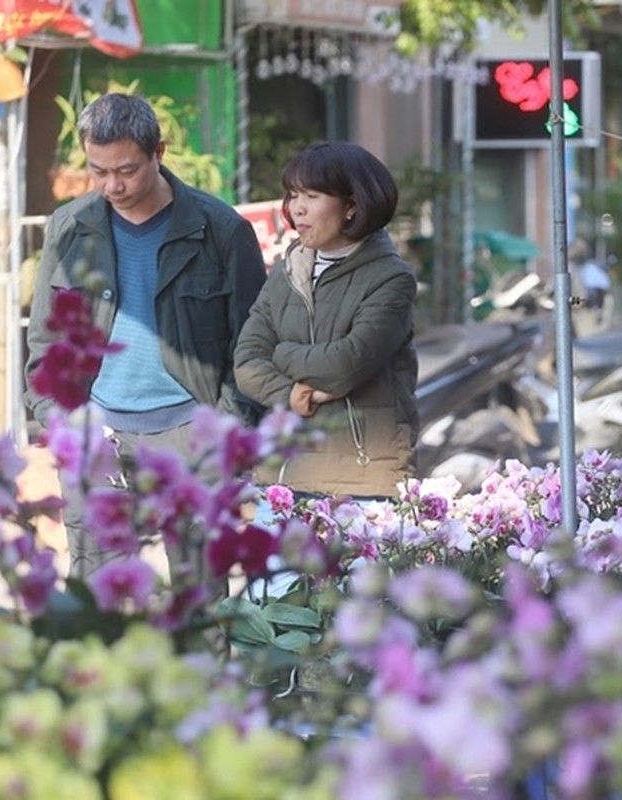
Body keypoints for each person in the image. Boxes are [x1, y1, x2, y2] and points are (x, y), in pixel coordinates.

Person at [24, 92, 267, 580]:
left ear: (159, 152)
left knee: (200, 600)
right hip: (98, 435)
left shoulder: (221, 231)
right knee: (99, 594)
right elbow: (44, 344)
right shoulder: (69, 228)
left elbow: (253, 348)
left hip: (190, 436)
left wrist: (224, 427)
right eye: (99, 171)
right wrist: (57, 422)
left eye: (127, 170)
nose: (113, 184)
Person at [234, 141, 418, 500]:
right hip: (282, 476)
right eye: (292, 195)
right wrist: (296, 394)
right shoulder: (288, 271)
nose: (296, 208)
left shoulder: (390, 278)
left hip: (361, 481)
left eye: (312, 196)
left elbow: (345, 364)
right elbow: (246, 363)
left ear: (352, 205)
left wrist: (282, 353)